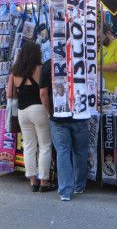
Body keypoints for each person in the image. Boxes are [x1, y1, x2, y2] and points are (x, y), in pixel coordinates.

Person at [40, 59, 89, 201]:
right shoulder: (81, 61)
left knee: (63, 152)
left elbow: (43, 93)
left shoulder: (49, 63)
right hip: (79, 115)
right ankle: (79, 185)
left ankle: (65, 191)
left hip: (58, 117)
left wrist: (50, 113)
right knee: (80, 151)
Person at [6, 41, 52, 192]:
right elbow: (43, 93)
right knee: (44, 146)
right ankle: (44, 181)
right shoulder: (40, 69)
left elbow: (9, 94)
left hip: (22, 111)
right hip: (38, 109)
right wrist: (49, 110)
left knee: (29, 146)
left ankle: (33, 180)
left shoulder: (15, 71)